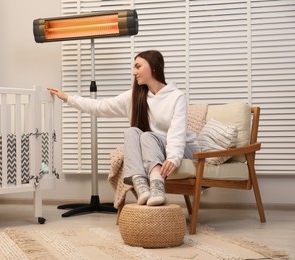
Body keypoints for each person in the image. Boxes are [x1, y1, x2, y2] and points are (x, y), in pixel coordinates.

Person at [48, 50, 199, 206]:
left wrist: (173, 157)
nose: (134, 72)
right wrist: (68, 98)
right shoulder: (134, 96)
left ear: (153, 67)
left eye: (138, 66)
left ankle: (157, 186)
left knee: (147, 136)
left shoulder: (176, 96)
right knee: (132, 131)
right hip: (154, 149)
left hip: (184, 150)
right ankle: (141, 187)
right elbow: (100, 107)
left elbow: (177, 132)